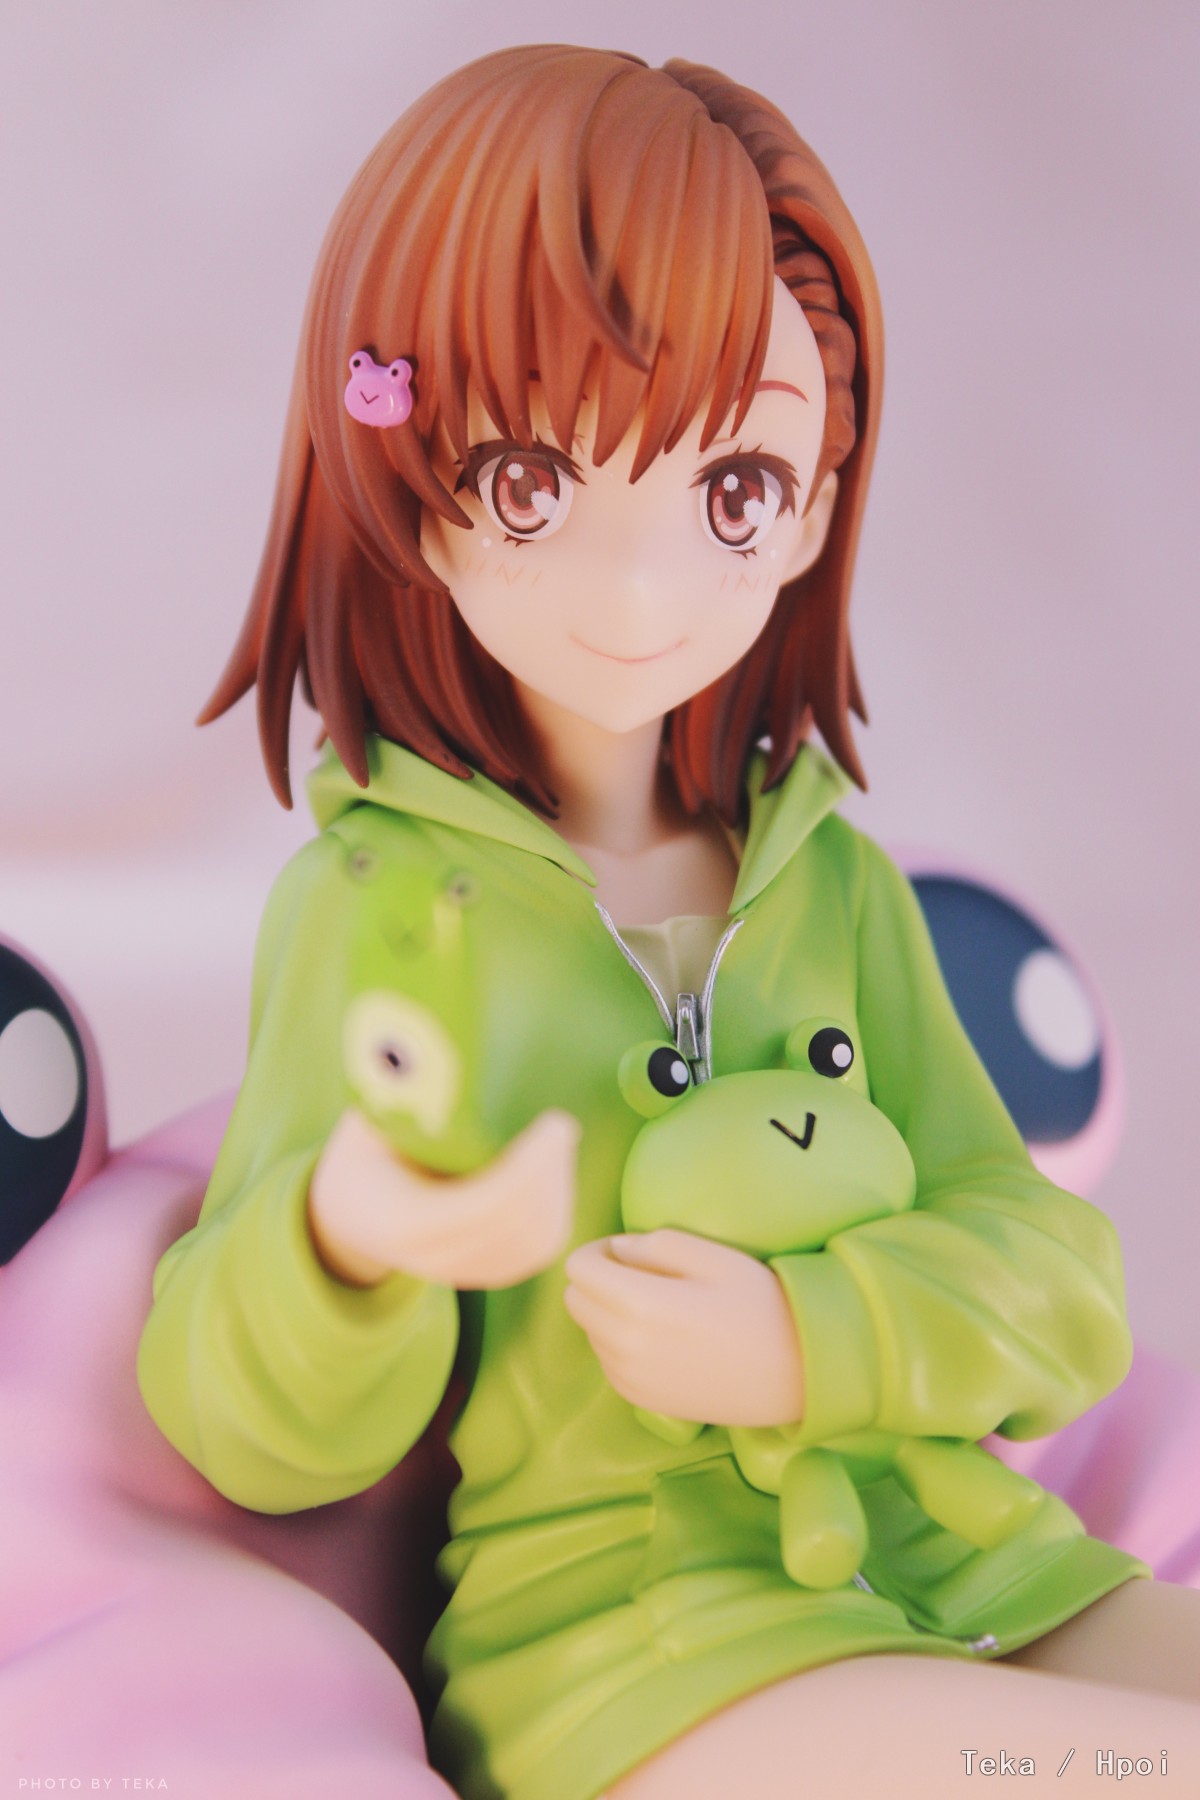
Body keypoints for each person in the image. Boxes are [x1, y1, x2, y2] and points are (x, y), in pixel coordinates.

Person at [136, 45, 1200, 1799]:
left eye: (732, 493)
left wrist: (814, 1337)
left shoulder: (832, 881)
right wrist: (344, 1243)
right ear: (408, 484)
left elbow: (1053, 1278)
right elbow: (249, 1429)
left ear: (815, 505)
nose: (638, 588)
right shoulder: (379, 910)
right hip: (630, 1650)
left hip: (976, 1573)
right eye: (533, 483)